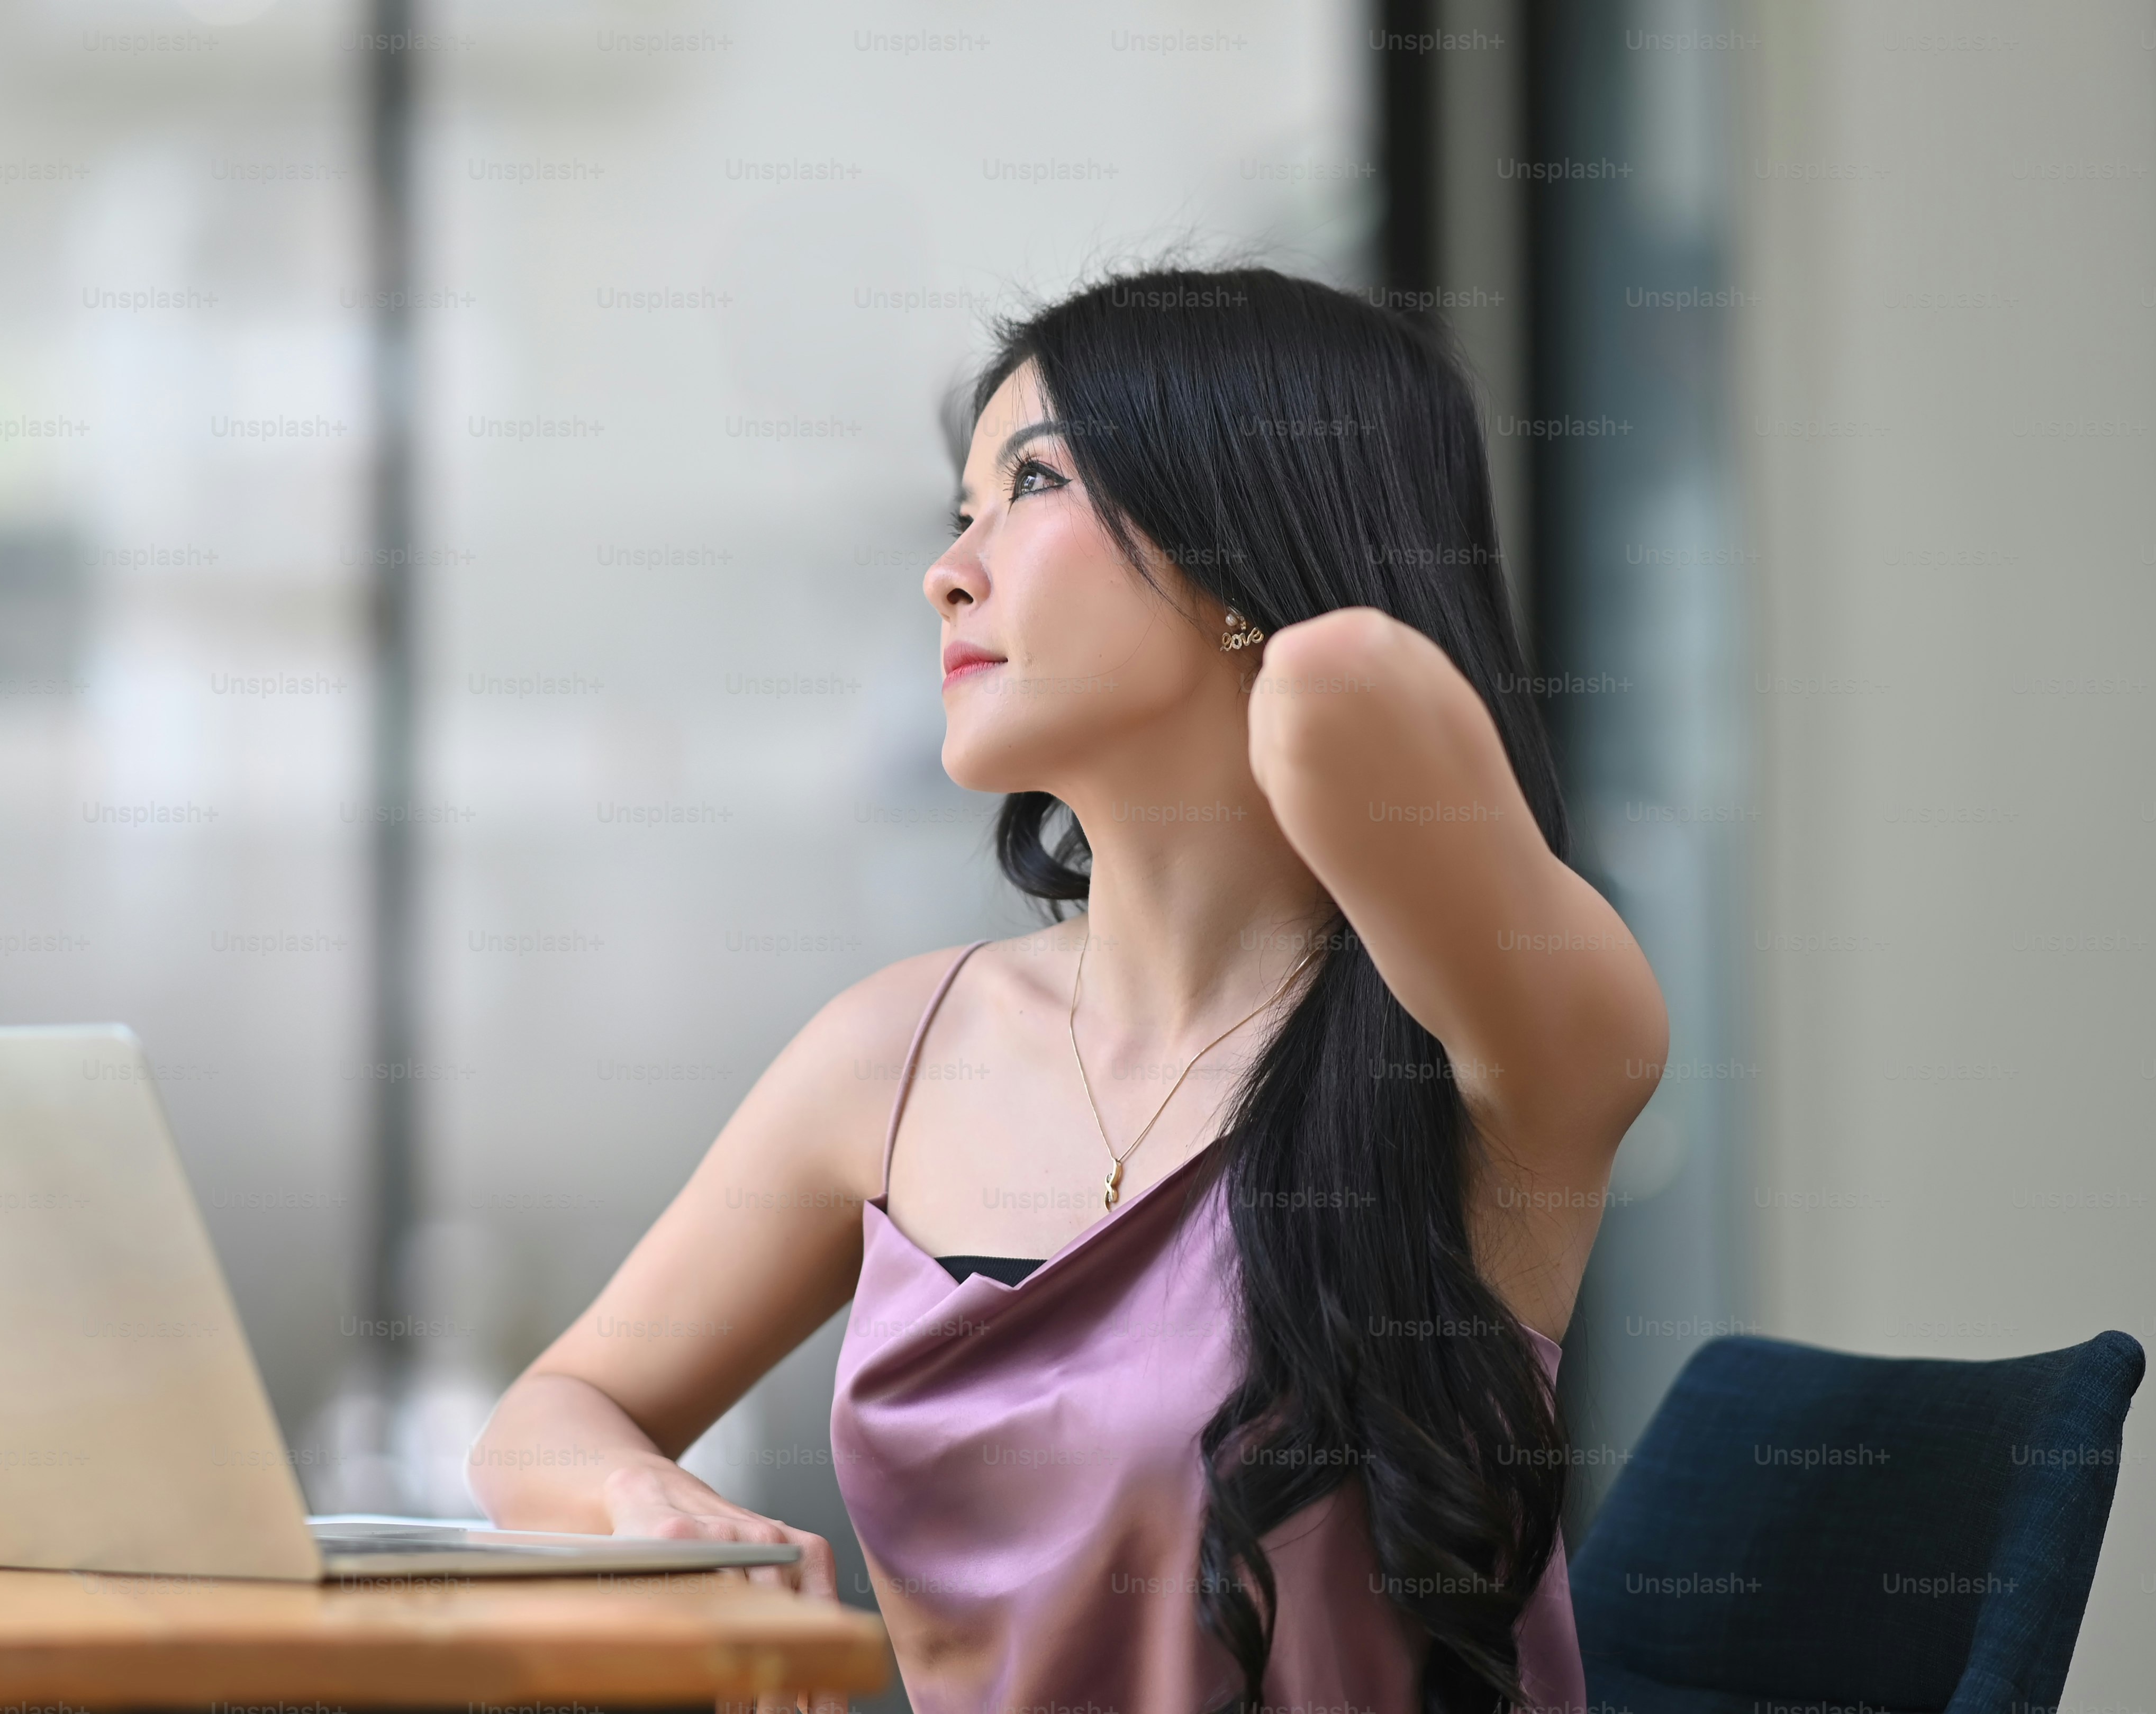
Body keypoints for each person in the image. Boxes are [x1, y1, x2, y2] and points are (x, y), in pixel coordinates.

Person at [468, 266, 1667, 1714]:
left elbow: (1344, 671)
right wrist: (651, 1511)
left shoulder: (1499, 1053)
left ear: (1242, 516)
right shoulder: (898, 1052)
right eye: (956, 511)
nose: (948, 570)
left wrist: (1265, 604)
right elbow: (548, 1419)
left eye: (1032, 483)